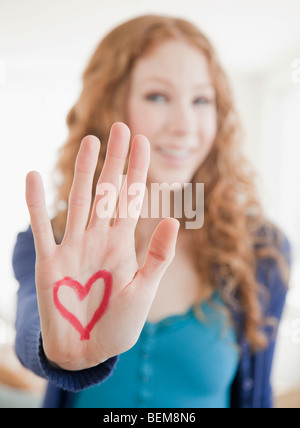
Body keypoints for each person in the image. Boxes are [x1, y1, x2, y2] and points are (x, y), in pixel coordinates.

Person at [12, 15, 291, 408]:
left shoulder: (263, 248)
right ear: (111, 106)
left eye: (201, 100)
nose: (184, 125)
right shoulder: (49, 240)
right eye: (157, 96)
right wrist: (59, 352)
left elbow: (257, 395)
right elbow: (31, 326)